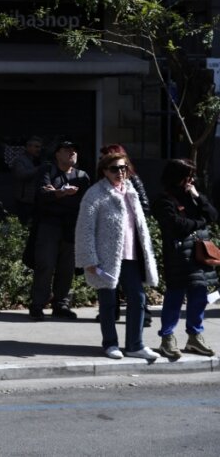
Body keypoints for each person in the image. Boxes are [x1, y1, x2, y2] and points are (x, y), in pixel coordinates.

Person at [75, 152, 160, 361]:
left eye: (123, 168)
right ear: (105, 171)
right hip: (106, 258)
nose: (120, 172)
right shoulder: (95, 194)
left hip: (131, 256)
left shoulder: (131, 191)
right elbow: (85, 229)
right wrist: (89, 259)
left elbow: (139, 226)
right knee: (108, 303)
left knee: (138, 298)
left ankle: (134, 345)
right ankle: (110, 344)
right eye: (114, 168)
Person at [151, 158, 218, 359]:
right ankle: (167, 338)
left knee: (199, 295)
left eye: (192, 177)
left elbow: (212, 215)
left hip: (200, 255)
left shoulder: (192, 196)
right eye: (187, 177)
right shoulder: (164, 200)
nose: (191, 181)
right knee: (175, 296)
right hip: (178, 255)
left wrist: (198, 197)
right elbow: (176, 225)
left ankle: (195, 336)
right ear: (176, 177)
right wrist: (200, 221)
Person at [30, 140, 90, 321]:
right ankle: (37, 304)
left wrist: (55, 194)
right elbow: (42, 196)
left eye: (74, 150)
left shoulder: (82, 176)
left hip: (72, 227)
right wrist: (63, 193)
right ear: (57, 154)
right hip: (48, 226)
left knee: (67, 268)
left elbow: (84, 203)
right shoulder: (47, 171)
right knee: (45, 265)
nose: (72, 153)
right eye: (67, 150)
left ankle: (61, 304)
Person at [98, 143, 153, 327]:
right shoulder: (99, 186)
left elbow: (144, 205)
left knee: (135, 285)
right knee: (109, 281)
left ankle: (144, 315)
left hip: (130, 240)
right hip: (109, 243)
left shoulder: (132, 181)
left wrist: (131, 219)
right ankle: (112, 313)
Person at [12, 136, 45, 224]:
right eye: (36, 147)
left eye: (40, 147)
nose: (39, 149)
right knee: (24, 223)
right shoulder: (20, 160)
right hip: (24, 200)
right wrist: (39, 168)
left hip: (37, 199)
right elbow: (21, 175)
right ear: (28, 147)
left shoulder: (40, 160)